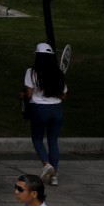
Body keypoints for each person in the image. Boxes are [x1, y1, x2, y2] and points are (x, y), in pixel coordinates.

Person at [25, 42, 68, 185]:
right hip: (56, 110)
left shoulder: (31, 72)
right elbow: (63, 96)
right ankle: (54, 176)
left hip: (39, 110)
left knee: (37, 139)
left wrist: (22, 96)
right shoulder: (59, 73)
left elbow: (29, 94)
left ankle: (46, 165)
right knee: (53, 142)